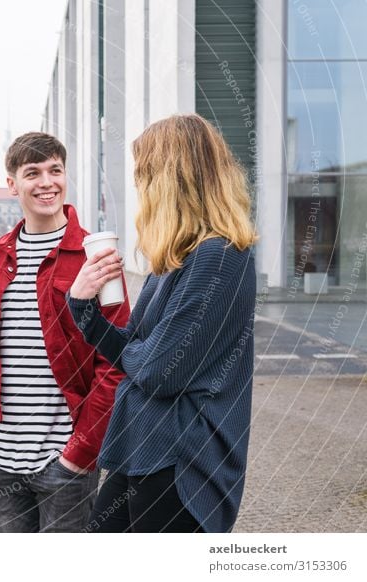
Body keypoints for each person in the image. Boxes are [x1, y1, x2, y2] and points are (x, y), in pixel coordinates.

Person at [67, 114, 257, 533]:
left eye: (144, 174)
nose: (139, 187)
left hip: (183, 460)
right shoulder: (176, 259)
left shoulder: (218, 257)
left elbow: (158, 372)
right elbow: (136, 351)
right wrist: (83, 305)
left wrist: (141, 354)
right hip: (146, 446)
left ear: (171, 180)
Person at [0, 132, 131, 532]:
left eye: (55, 170)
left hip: (65, 463)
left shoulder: (95, 256)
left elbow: (116, 361)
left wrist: (81, 453)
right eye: (33, 173)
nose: (46, 182)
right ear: (12, 185)